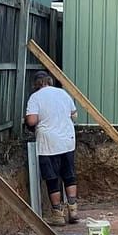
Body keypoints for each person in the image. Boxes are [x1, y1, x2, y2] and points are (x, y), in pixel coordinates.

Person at [25, 70, 80, 225]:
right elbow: (74, 115)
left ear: (36, 84)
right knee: (69, 174)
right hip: (67, 140)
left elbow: (31, 120)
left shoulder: (35, 98)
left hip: (48, 143)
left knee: (51, 178)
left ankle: (57, 214)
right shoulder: (62, 93)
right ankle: (73, 209)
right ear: (49, 81)